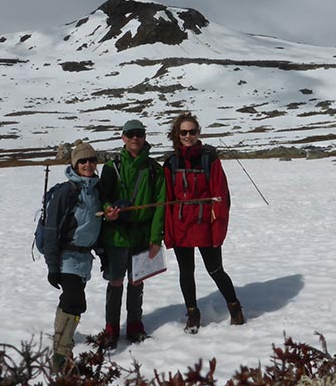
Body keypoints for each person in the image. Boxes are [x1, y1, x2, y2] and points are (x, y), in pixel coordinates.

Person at [162, 112, 245, 333]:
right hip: (181, 227)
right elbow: (167, 199)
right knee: (186, 272)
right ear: (176, 135)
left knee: (215, 269)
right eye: (184, 132)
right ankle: (192, 314)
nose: (188, 136)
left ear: (198, 133)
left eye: (192, 132)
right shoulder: (170, 162)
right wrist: (168, 230)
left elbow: (221, 195)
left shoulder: (210, 159)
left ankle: (234, 306)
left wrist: (218, 225)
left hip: (205, 225)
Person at [41, 142, 119, 370]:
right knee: (74, 301)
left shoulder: (96, 190)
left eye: (91, 160)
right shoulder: (67, 192)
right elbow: (52, 231)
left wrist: (102, 254)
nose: (88, 164)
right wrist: (52, 265)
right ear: (74, 164)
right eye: (82, 161)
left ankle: (61, 349)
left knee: (72, 302)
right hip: (66, 257)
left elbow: (96, 227)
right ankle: (60, 354)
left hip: (84, 259)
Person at [96, 119, 166, 347]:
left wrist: (156, 238)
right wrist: (108, 211)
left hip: (143, 235)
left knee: (137, 281)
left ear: (144, 136)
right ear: (123, 137)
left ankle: (135, 325)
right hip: (116, 235)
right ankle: (111, 327)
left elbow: (160, 206)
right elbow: (103, 197)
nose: (135, 137)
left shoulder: (155, 170)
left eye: (140, 133)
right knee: (116, 281)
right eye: (131, 134)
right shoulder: (110, 167)